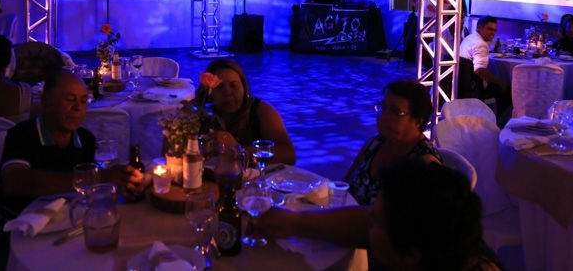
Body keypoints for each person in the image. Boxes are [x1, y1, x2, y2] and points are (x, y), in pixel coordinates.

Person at [0, 71, 145, 270]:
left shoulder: (85, 139)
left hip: (67, 232)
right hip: (13, 236)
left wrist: (123, 187)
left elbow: (91, 191)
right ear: (46, 102)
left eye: (83, 101)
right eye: (70, 100)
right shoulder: (22, 135)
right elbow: (15, 182)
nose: (78, 108)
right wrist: (96, 178)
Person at [250, 159, 503, 271]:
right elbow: (362, 225)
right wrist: (294, 222)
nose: (366, 218)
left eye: (376, 219)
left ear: (411, 255)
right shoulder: (442, 240)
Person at [173, 59, 296, 165]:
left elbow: (289, 155)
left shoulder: (261, 110)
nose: (227, 92)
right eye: (219, 87)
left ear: (244, 87)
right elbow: (170, 150)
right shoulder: (197, 110)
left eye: (233, 85)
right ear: (208, 92)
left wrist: (237, 149)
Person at [344, 80, 441, 205]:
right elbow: (343, 185)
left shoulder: (425, 165)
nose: (384, 116)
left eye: (396, 112)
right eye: (383, 107)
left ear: (418, 121)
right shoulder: (375, 142)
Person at [458, 16, 511, 118]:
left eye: (494, 30)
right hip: (473, 88)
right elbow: (480, 71)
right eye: (489, 29)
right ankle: (496, 122)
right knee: (508, 91)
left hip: (462, 84)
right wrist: (501, 83)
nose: (493, 33)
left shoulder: (469, 38)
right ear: (480, 28)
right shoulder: (480, 44)